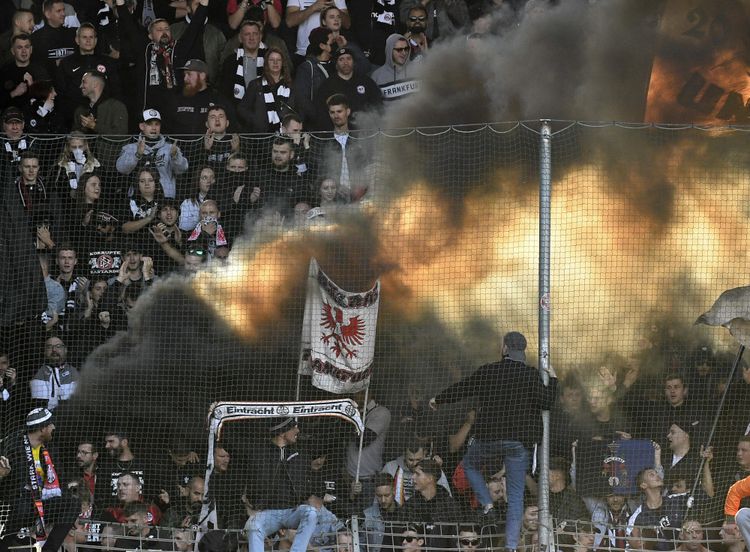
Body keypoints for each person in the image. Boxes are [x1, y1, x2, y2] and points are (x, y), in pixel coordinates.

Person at [429, 331, 557, 551]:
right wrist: (552, 379)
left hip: (488, 439)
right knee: (516, 496)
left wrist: (438, 399)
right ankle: (510, 546)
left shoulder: (488, 371)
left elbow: (463, 388)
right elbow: (546, 402)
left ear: (505, 348)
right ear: (523, 352)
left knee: (469, 465)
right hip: (518, 443)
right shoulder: (530, 374)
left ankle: (486, 501)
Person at [0, 408, 80, 552]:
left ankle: (48, 550)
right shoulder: (12, 445)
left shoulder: (51, 449)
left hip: (43, 502)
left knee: (72, 503)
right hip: (18, 503)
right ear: (42, 428)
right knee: (22, 506)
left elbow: (60, 479)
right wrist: (2, 474)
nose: (53, 428)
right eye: (51, 425)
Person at [113, 0, 211, 114]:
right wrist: (120, 3)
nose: (164, 32)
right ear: (150, 35)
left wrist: (204, 5)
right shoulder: (144, 50)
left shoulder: (178, 49)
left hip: (177, 110)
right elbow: (128, 24)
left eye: (167, 29)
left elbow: (194, 27)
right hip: (150, 111)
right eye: (159, 30)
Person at [243, 417, 325, 552]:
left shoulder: (301, 454)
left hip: (292, 511)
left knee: (311, 513)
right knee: (253, 524)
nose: (297, 430)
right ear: (282, 432)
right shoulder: (258, 453)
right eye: (293, 427)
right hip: (267, 513)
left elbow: (310, 488)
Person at [55, 23, 121, 128]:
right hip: (74, 117)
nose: (88, 40)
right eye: (84, 37)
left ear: (96, 40)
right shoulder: (67, 63)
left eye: (91, 37)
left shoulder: (108, 62)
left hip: (103, 117)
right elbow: (61, 91)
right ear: (77, 40)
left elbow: (115, 89)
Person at [117, 109, 188, 200]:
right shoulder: (131, 148)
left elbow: (182, 170)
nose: (154, 128)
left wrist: (175, 157)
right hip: (136, 200)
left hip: (165, 201)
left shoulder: (170, 148)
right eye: (150, 124)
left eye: (157, 124)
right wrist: (137, 155)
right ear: (142, 126)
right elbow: (121, 169)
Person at [313, 46, 381, 131]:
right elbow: (321, 112)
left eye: (348, 58)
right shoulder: (327, 85)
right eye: (341, 59)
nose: (345, 62)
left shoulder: (366, 81)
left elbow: (378, 105)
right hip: (338, 133)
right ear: (336, 63)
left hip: (364, 131)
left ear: (354, 61)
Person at [165, 59, 233, 135]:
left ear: (202, 76)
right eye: (184, 75)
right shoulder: (177, 99)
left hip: (209, 146)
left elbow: (232, 128)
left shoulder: (218, 99)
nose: (185, 79)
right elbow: (166, 128)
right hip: (179, 146)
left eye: (189, 74)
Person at [627, 468, 688, 551]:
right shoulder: (637, 517)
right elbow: (630, 548)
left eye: (657, 473)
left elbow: (709, 495)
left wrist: (706, 463)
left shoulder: (676, 500)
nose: (657, 476)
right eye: (652, 475)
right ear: (643, 485)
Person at [237, 47, 295, 133]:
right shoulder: (256, 84)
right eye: (272, 60)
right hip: (261, 135)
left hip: (285, 134)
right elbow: (242, 109)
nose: (275, 63)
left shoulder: (291, 86)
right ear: (267, 63)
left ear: (283, 63)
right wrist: (256, 120)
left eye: (278, 60)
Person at [169, 0, 226, 86]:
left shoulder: (216, 33)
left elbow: (223, 65)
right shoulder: (173, 30)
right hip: (181, 88)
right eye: (198, 4)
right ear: (188, 8)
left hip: (209, 88)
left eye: (203, 5)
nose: (201, 7)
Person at [292, 26, 335, 126]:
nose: (336, 44)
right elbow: (302, 100)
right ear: (322, 46)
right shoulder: (307, 68)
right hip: (317, 126)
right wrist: (321, 118)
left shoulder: (338, 64)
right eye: (333, 42)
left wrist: (344, 48)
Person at [382, 443, 451, 503]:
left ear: (424, 454)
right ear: (404, 455)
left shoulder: (432, 469)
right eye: (411, 460)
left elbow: (446, 495)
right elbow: (380, 494)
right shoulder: (390, 467)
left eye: (418, 459)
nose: (414, 463)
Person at [220, 20, 268, 105]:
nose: (251, 38)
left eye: (255, 34)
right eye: (247, 34)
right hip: (238, 109)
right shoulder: (231, 61)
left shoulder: (269, 59)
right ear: (240, 38)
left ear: (260, 37)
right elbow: (225, 93)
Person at [286, 0, 349, 64]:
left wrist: (335, 9)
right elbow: (289, 22)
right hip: (304, 51)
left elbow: (347, 24)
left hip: (332, 50)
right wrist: (313, 8)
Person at [0, 33, 51, 110]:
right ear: (12, 51)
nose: (24, 51)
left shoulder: (41, 70)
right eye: (19, 47)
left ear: (31, 50)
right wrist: (14, 93)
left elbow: (49, 101)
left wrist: (31, 86)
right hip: (12, 117)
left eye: (26, 47)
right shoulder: (4, 71)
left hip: (36, 117)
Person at [30, 335, 79, 410]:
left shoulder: (75, 372)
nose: (54, 350)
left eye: (58, 346)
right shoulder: (35, 371)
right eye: (49, 347)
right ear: (44, 351)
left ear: (65, 350)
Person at [72, 70, 128, 135]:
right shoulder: (81, 110)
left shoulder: (116, 107)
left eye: (84, 82)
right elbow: (75, 137)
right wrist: (84, 127)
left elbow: (121, 135)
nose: (80, 86)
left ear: (95, 84)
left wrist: (94, 126)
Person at [370, 34, 421, 103]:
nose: (404, 53)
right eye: (399, 50)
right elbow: (374, 106)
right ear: (390, 50)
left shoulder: (418, 70)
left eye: (406, 49)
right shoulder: (377, 76)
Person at [31, 0, 76, 75]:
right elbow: (35, 65)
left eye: (63, 10)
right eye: (58, 11)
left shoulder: (73, 34)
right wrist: (53, 64)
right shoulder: (36, 38)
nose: (63, 14)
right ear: (48, 14)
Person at [363, 473, 403, 552]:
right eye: (379, 496)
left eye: (387, 495)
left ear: (394, 491)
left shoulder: (404, 513)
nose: (383, 500)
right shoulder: (367, 515)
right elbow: (361, 543)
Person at [398, 0, 470, 42]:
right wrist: (423, 3)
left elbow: (463, 19)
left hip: (449, 43)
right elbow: (404, 17)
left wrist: (448, 2)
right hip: (421, 42)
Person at [179, 167, 216, 231]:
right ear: (197, 181)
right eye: (205, 178)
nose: (209, 181)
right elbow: (183, 227)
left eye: (212, 177)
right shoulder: (188, 203)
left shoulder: (221, 201)